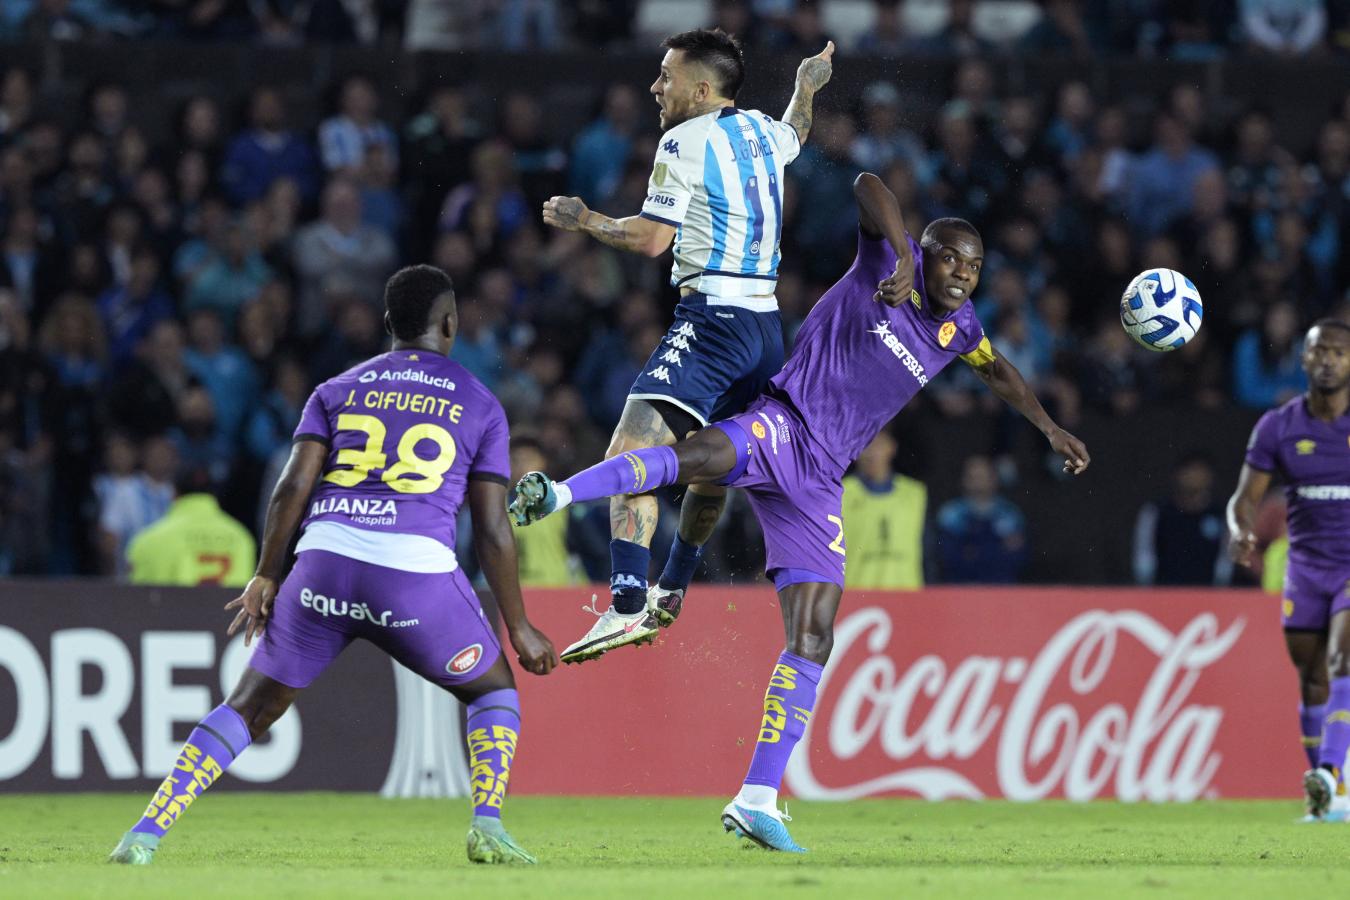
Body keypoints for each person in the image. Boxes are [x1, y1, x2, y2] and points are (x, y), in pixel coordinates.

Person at [510, 172, 1089, 851]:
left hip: (820, 481)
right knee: (697, 459)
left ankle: (757, 797)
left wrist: (1048, 427)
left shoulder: (960, 328)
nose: (963, 272)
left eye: (975, 265)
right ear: (925, 252)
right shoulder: (884, 264)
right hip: (783, 422)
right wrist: (901, 256)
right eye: (950, 256)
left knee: (815, 631)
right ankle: (561, 493)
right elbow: (868, 184)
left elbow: (997, 371)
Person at [109, 265, 558, 866]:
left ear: (387, 322)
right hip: (413, 577)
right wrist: (520, 624)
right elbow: (493, 529)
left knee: (249, 705)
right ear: (450, 323)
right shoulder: (480, 403)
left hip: (321, 566)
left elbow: (292, 485)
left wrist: (268, 573)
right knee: (494, 691)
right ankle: (487, 824)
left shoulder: (338, 387)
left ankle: (144, 834)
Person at [539, 28, 834, 664]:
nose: (655, 86)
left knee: (631, 452)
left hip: (713, 320)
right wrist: (805, 88)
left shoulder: (684, 139)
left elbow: (650, 241)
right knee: (710, 462)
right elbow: (797, 133)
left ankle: (623, 605)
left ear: (701, 90)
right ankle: (670, 587)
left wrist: (584, 218)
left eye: (666, 76)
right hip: (765, 330)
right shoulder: (759, 130)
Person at [1226, 319, 1350, 822]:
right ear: (1303, 359)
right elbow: (1244, 499)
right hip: (1304, 568)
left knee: (1344, 659)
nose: (1328, 360)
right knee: (1311, 678)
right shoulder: (1278, 426)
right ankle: (1325, 801)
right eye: (1319, 351)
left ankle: (1330, 774)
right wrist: (1240, 530)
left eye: (1339, 353)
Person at [125, 467, 256, 587]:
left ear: (174, 493)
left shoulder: (147, 541)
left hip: (171, 613)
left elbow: (137, 599)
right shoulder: (241, 537)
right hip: (226, 613)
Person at [840, 428, 926, 589]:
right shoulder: (840, 493)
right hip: (856, 594)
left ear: (892, 447)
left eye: (877, 445)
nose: (871, 453)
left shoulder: (915, 494)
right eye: (865, 445)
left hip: (907, 595)